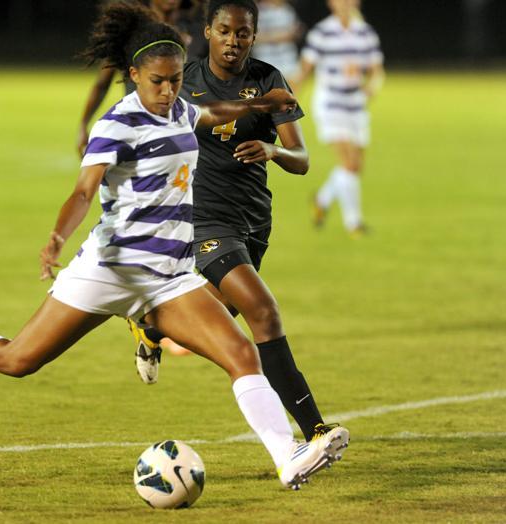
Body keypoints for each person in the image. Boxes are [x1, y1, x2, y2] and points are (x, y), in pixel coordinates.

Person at [0, 1, 347, 490]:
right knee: (18, 360)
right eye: (157, 82)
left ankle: (288, 455)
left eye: (173, 81)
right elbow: (83, 191)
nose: (168, 91)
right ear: (134, 76)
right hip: (109, 271)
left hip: (168, 277)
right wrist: (58, 237)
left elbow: (215, 112)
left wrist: (262, 107)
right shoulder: (116, 125)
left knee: (241, 354)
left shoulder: (181, 109)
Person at [128, 0, 348, 466]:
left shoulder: (269, 80)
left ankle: (150, 325)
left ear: (255, 35)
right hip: (202, 219)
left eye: (243, 33)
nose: (233, 41)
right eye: (224, 31)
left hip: (253, 221)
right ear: (208, 31)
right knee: (263, 311)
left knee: (214, 321)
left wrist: (272, 148)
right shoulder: (183, 79)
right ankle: (315, 431)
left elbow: (303, 160)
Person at [294, 0, 384, 236]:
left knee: (355, 165)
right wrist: (288, 101)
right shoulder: (322, 32)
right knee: (349, 163)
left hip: (355, 103)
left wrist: (372, 87)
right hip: (330, 103)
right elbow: (303, 71)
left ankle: (322, 200)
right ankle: (353, 223)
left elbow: (376, 70)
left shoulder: (365, 33)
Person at [76, 0, 205, 156]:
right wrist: (83, 125)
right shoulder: (131, 33)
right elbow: (102, 84)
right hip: (138, 130)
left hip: (182, 132)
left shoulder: (199, 32)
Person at [251, 0, 305, 79]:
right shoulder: (258, 10)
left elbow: (296, 33)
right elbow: (251, 37)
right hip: (264, 63)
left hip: (288, 63)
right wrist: (279, 36)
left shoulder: (288, 10)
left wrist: (297, 33)